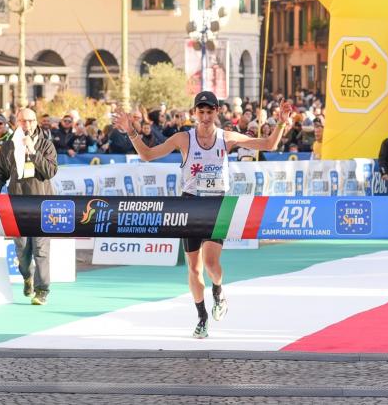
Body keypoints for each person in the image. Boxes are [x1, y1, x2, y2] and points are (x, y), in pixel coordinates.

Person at [113, 91, 291, 339]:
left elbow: (268, 144)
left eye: (210, 112)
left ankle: (218, 290)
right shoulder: (183, 139)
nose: (206, 117)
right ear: (194, 113)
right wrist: (131, 131)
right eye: (201, 112)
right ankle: (202, 316)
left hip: (217, 205)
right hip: (190, 205)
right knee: (194, 269)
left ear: (217, 112)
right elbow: (148, 155)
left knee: (210, 263)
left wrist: (281, 122)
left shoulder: (226, 138)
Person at [0, 108, 58, 305]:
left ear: (36, 122)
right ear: (17, 122)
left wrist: (33, 152)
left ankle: (42, 290)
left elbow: (50, 171)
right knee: (23, 252)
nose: (27, 124)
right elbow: (0, 172)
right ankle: (27, 276)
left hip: (43, 206)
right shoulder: (9, 146)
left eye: (31, 120)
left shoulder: (45, 145)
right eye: (23, 121)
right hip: (17, 205)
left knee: (41, 250)